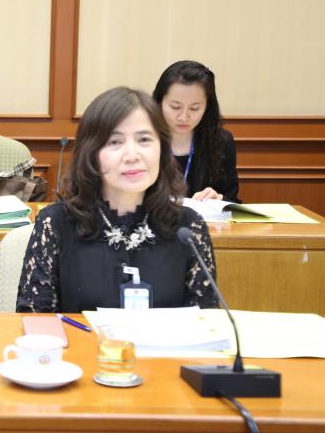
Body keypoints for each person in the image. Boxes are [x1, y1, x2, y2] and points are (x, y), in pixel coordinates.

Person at [16, 87, 217, 313]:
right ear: (91, 153)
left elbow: (207, 323)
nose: (132, 156)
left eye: (144, 140)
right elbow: (35, 320)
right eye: (115, 142)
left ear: (162, 148)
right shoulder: (57, 224)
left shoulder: (188, 228)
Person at [153, 60, 239, 202]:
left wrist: (218, 199)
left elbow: (232, 201)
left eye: (194, 108)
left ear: (207, 107)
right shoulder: (142, 140)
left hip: (201, 217)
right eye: (175, 107)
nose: (183, 117)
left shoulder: (221, 141)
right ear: (160, 101)